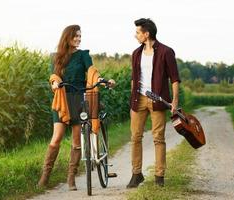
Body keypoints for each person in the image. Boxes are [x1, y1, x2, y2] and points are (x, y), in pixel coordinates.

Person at [38, 24, 115, 191]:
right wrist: (56, 82)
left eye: (80, 36)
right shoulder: (55, 57)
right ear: (67, 37)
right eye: (75, 36)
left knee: (76, 140)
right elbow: (53, 75)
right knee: (57, 137)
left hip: (79, 99)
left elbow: (92, 71)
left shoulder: (83, 55)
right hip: (62, 100)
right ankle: (44, 177)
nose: (78, 39)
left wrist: (102, 80)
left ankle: (71, 178)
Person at [127, 18, 181, 188]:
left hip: (157, 100)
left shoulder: (166, 52)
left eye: (138, 32)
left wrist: (174, 101)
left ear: (146, 34)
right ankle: (136, 174)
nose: (135, 35)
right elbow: (133, 79)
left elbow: (174, 79)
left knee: (158, 138)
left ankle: (159, 176)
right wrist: (132, 102)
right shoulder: (136, 54)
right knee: (135, 137)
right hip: (139, 100)